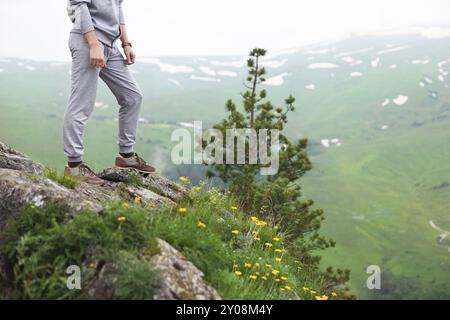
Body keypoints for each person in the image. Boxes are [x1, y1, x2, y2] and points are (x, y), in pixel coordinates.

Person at [64, 0, 155, 184]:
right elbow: (80, 7)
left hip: (111, 45)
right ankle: (74, 166)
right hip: (87, 42)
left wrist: (126, 43)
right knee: (82, 104)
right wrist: (93, 44)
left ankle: (126, 156)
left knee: (132, 97)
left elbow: (118, 7)